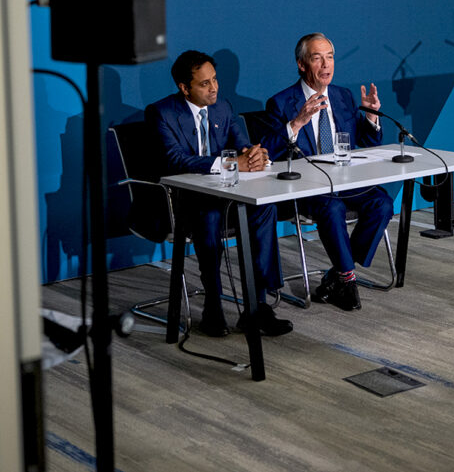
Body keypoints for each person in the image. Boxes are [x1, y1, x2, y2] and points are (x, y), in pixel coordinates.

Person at [146, 50, 292, 337]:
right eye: (204, 84)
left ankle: (257, 306)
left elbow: (241, 144)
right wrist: (229, 163)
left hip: (225, 194)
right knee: (209, 216)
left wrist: (253, 155)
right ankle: (212, 306)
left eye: (214, 79)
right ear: (184, 88)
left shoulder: (222, 107)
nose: (213, 88)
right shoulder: (161, 112)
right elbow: (175, 159)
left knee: (265, 208)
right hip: (183, 201)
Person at [262, 33, 394, 311]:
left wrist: (371, 116)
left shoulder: (343, 96)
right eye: (317, 58)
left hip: (345, 179)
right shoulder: (281, 102)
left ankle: (338, 274)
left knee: (382, 202)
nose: (326, 65)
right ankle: (347, 279)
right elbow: (268, 153)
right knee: (333, 209)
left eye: (330, 57)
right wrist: (297, 122)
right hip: (307, 187)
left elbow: (368, 144)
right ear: (302, 64)